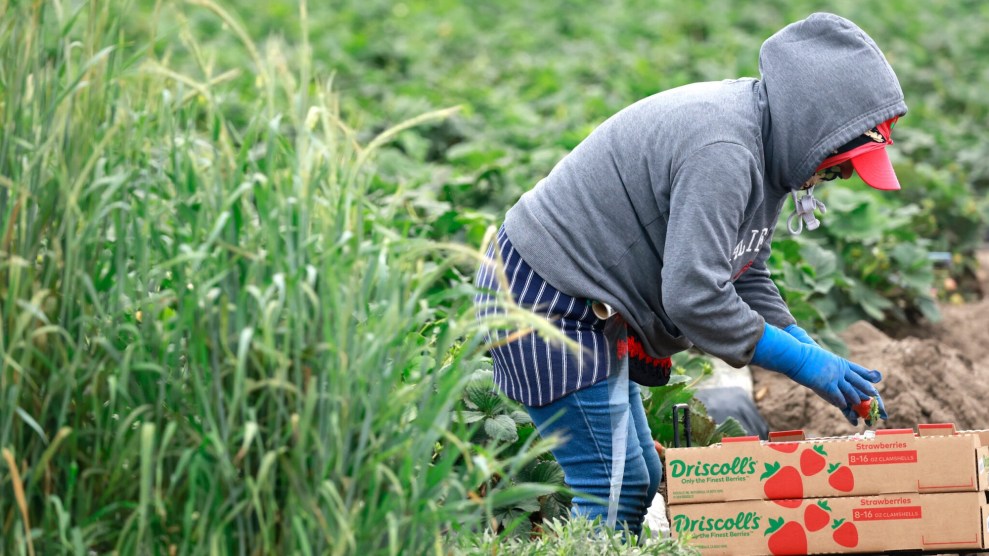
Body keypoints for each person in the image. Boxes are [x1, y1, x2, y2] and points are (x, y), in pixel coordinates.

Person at [474, 12, 900, 535]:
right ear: (815, 126)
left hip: (595, 306)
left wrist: (806, 345)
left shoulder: (766, 144)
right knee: (614, 485)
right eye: (840, 163)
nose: (836, 176)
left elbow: (740, 268)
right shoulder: (724, 151)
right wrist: (802, 364)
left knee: (644, 472)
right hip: (547, 295)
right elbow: (695, 297)